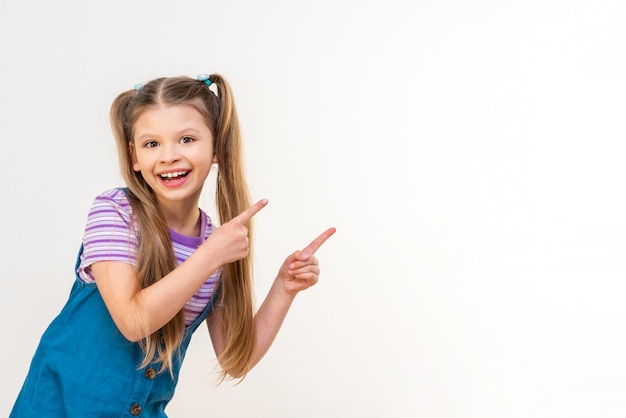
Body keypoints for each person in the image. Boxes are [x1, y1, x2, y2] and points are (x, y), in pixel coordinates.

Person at [10, 73, 335, 417]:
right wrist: (209, 255)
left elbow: (236, 359)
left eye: (186, 139)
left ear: (217, 147)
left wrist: (284, 289)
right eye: (152, 144)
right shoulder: (115, 212)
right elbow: (133, 321)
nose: (168, 156)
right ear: (134, 156)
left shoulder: (217, 246)